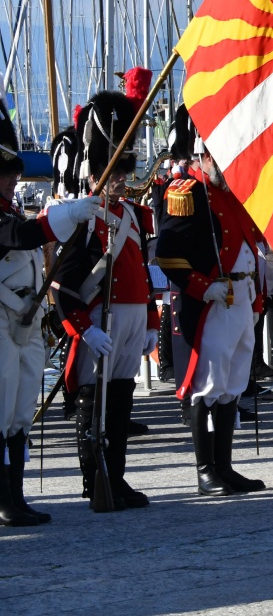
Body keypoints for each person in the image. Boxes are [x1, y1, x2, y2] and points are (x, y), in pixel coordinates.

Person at [50, 88, 157, 509]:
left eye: (122, 174)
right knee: (95, 407)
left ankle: (118, 475)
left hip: (130, 325)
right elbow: (63, 285)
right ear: (96, 175)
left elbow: (143, 276)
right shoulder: (85, 217)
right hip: (100, 325)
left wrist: (151, 323)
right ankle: (94, 480)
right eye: (112, 174)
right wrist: (83, 330)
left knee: (120, 403)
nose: (119, 181)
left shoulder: (130, 215)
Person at [153, 117, 269, 496]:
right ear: (203, 153)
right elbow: (167, 255)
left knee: (233, 385)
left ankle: (225, 466)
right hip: (211, 304)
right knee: (208, 386)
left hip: (239, 299)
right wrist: (203, 288)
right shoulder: (186, 191)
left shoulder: (231, 193)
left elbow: (252, 248)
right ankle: (206, 471)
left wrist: (256, 296)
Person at [0, 108, 98, 526]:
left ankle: (14, 496)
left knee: (22, 412)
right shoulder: (10, 220)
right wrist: (64, 216)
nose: (11, 179)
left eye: (12, 173)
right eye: (4, 173)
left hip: (23, 321)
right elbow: (19, 238)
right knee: (2, 409)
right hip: (3, 321)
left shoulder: (11, 210)